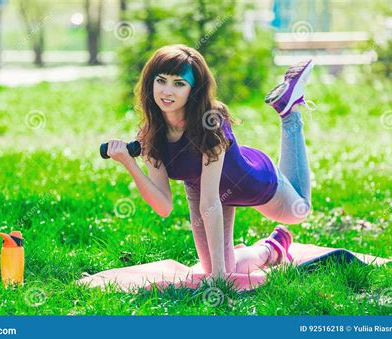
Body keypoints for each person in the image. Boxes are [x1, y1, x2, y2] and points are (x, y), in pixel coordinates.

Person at [106, 44, 314, 278]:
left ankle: (289, 114)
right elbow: (163, 206)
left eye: (179, 84)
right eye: (161, 80)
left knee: (299, 211)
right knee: (223, 269)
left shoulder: (210, 123)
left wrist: (218, 277)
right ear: (150, 82)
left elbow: (210, 202)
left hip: (246, 181)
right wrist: (129, 163)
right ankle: (272, 248)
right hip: (201, 189)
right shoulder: (151, 134)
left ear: (194, 90)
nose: (167, 91)